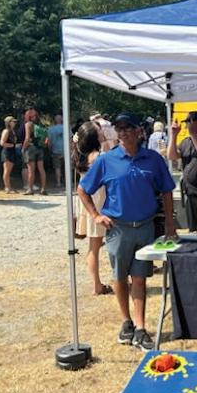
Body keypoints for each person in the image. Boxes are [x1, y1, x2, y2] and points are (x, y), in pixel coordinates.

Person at [77, 111, 176, 352]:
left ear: (138, 131)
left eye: (128, 128)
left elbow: (166, 190)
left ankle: (141, 328)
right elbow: (83, 189)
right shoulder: (106, 160)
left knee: (140, 277)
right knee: (119, 277)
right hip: (118, 229)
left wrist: (171, 224)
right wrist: (95, 215)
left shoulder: (153, 159)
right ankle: (126, 322)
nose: (123, 132)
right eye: (119, 129)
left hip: (145, 227)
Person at [72, 121, 112, 296]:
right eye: (99, 131)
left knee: (93, 246)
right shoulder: (98, 156)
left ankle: (97, 284)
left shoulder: (80, 154)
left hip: (88, 199)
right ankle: (103, 283)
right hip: (99, 199)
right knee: (102, 244)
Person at [168, 111, 197, 236]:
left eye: (189, 122)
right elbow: (172, 156)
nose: (187, 126)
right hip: (189, 192)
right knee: (193, 233)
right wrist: (173, 135)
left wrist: (195, 136)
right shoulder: (186, 142)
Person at [22, 108, 47, 195]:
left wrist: (23, 148)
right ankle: (43, 189)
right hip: (40, 148)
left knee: (31, 170)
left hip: (31, 148)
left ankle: (30, 189)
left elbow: (27, 138)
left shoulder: (28, 124)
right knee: (41, 169)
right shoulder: (40, 124)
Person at [0, 116, 18, 193]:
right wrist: (13, 145)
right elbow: (2, 143)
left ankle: (8, 187)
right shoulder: (6, 131)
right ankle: (7, 188)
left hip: (12, 152)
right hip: (7, 152)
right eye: (13, 122)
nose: (15, 123)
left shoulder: (13, 131)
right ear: (8, 122)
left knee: (9, 171)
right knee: (6, 171)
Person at [47, 114, 65, 188]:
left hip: (55, 150)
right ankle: (68, 182)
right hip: (65, 150)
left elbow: (49, 141)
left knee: (57, 167)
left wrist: (50, 149)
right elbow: (71, 138)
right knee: (66, 166)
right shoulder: (66, 127)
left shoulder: (50, 129)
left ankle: (58, 183)